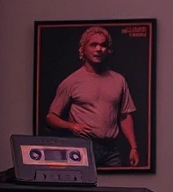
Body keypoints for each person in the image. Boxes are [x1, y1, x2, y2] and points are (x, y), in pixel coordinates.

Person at [46, 26, 140, 167]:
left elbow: (125, 115)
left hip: (111, 149)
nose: (98, 49)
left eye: (103, 45)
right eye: (93, 45)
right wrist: (72, 126)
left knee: (114, 187)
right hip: (83, 146)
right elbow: (51, 117)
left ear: (108, 50)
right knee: (84, 187)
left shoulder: (119, 80)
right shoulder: (72, 81)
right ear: (83, 49)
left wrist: (133, 147)